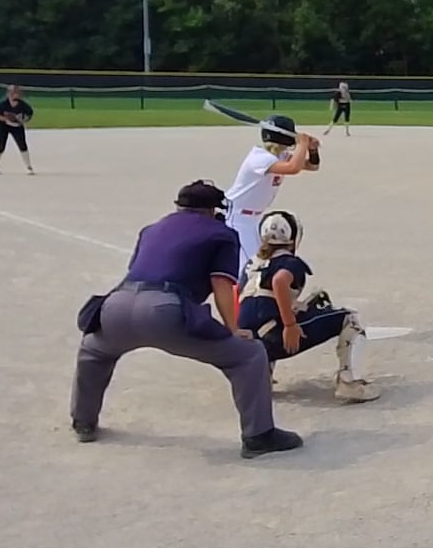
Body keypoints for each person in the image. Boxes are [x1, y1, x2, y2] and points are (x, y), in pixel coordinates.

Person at [69, 181, 301, 458]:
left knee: (94, 352)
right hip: (165, 311)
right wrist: (233, 328)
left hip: (116, 306)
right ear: (213, 210)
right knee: (249, 355)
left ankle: (83, 421)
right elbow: (221, 284)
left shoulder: (151, 229)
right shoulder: (221, 233)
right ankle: (259, 435)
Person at [236, 210, 379, 402]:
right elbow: (279, 281)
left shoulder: (251, 265)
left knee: (275, 314)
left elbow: (240, 296)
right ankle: (349, 383)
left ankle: (260, 379)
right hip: (273, 339)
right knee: (348, 319)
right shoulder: (289, 262)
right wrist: (290, 325)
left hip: (248, 344)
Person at [226, 115, 320, 276]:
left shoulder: (279, 156)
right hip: (239, 218)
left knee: (261, 263)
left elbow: (312, 166)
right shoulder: (259, 158)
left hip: (255, 218)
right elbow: (293, 168)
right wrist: (302, 144)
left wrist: (311, 149)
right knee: (249, 268)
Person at [0, 84, 34, 175]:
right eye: (12, 93)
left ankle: (28, 166)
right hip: (2, 126)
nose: (14, 95)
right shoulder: (2, 104)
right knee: (0, 146)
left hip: (17, 126)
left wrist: (24, 120)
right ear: (8, 94)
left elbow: (29, 115)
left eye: (16, 93)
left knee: (22, 145)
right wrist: (7, 119)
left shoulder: (23, 105)